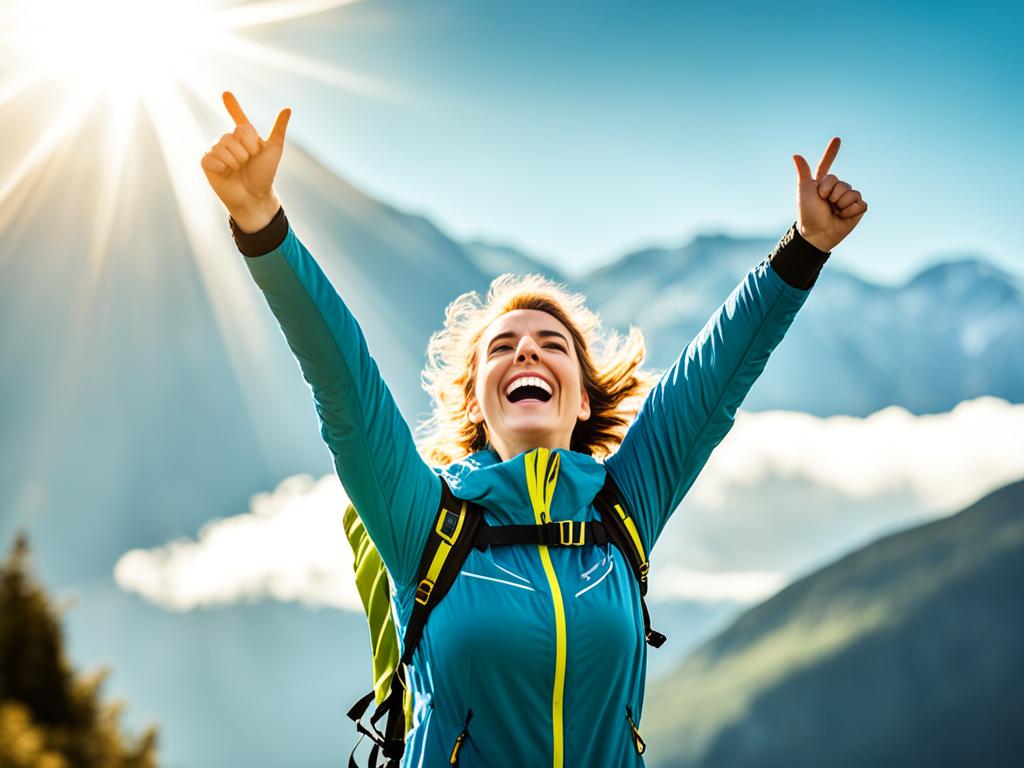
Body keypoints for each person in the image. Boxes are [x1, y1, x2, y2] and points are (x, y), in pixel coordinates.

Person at [201, 91, 867, 767]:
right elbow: (343, 379)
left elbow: (714, 376)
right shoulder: (423, 523)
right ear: (476, 403)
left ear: (582, 399)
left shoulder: (624, 507)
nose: (527, 351)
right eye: (503, 346)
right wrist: (261, 224)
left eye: (552, 344)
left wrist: (805, 246)